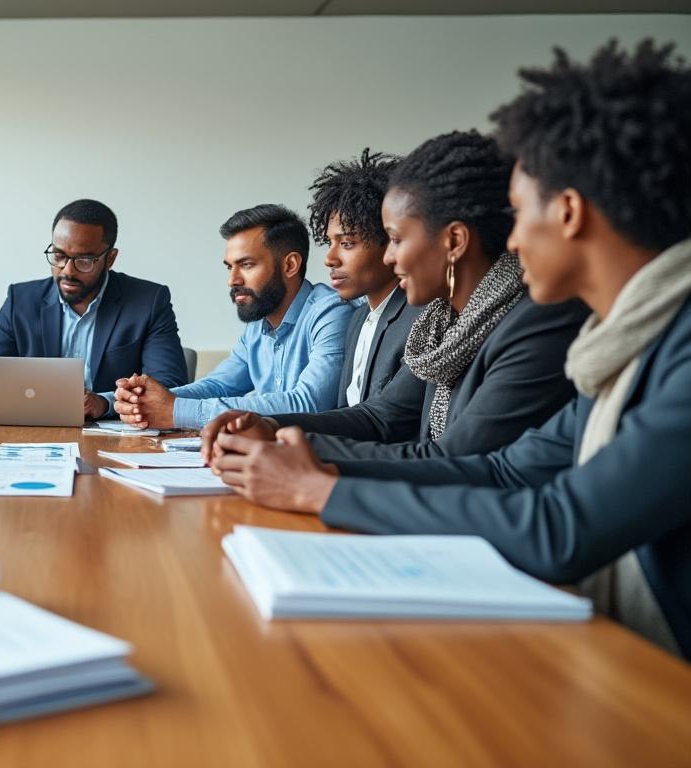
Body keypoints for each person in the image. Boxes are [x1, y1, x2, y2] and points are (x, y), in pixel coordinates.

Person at [202, 39, 691, 657]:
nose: (510, 236)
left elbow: (560, 527)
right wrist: (299, 456)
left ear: (568, 213)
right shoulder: (627, 347)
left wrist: (319, 490)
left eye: (516, 214)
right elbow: (505, 469)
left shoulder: (662, 346)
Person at [201, 132, 588, 460]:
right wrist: (269, 427)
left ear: (454, 241)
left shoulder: (530, 322)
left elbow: (451, 460)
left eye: (397, 240)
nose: (389, 256)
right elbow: (379, 417)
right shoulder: (444, 326)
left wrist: (302, 463)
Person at [113, 204, 351, 430]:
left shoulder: (331, 311)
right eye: (230, 267)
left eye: (246, 265)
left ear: (290, 265)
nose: (232, 280)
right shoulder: (259, 322)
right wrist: (134, 397)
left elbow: (307, 404)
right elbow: (217, 386)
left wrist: (175, 409)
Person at [0, 199, 188, 418]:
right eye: (59, 256)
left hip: (115, 442)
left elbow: (170, 389)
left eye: (84, 260)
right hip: (35, 440)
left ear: (110, 259)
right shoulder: (20, 301)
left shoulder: (148, 302)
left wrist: (104, 403)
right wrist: (48, 401)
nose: (67, 271)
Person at [312, 149, 420, 407]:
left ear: (391, 242)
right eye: (330, 242)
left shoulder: (420, 319)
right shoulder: (358, 317)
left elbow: (383, 422)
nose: (330, 258)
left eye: (347, 243)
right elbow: (344, 412)